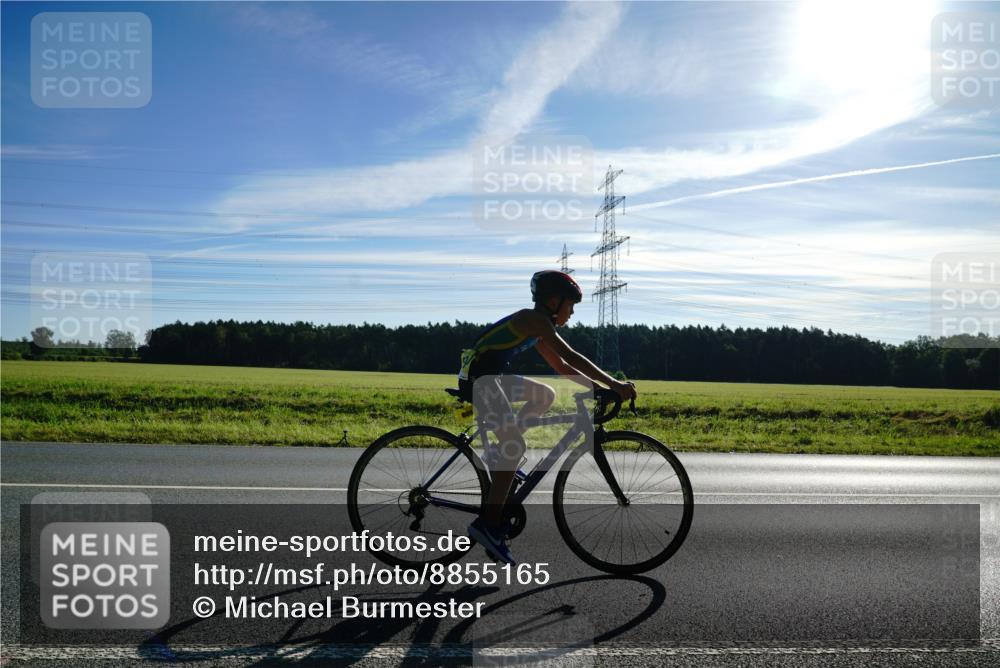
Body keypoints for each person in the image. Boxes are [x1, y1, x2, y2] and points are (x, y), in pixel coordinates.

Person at [459, 270, 637, 564]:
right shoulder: (533, 320)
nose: (572, 312)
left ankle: (504, 458)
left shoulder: (539, 328)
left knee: (544, 395)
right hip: (481, 380)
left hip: (488, 376)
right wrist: (614, 385)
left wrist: (595, 389)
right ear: (554, 301)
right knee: (515, 446)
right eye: (571, 305)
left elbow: (562, 366)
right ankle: (488, 525)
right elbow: (572, 356)